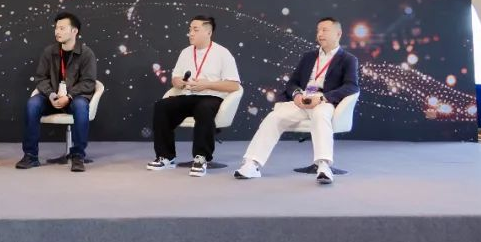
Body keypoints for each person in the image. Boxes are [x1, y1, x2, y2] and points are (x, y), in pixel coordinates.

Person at [235, 17, 360, 185]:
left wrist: (322, 97)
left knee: (321, 115)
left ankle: (323, 166)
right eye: (318, 30)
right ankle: (252, 164)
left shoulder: (348, 59)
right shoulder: (308, 57)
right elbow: (292, 82)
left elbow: (351, 86)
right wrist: (296, 95)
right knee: (274, 117)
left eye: (325, 30)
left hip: (324, 101)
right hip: (302, 99)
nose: (320, 34)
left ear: (338, 33)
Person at [148, 15, 241, 177]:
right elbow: (175, 79)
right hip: (188, 94)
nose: (190, 33)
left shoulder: (223, 53)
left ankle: (201, 157)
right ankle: (166, 156)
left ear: (208, 32)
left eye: (195, 30)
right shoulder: (185, 52)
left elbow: (234, 85)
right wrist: (181, 83)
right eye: (190, 29)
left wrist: (207, 85)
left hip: (211, 96)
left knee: (204, 108)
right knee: (162, 106)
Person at [16, 12, 97, 172]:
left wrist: (69, 96)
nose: (57, 32)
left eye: (62, 28)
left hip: (74, 98)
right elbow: (41, 78)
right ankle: (30, 156)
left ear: (74, 31)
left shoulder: (86, 53)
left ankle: (78, 156)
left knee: (81, 106)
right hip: (51, 98)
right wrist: (51, 95)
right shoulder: (49, 52)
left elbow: (88, 83)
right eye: (56, 28)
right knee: (32, 104)